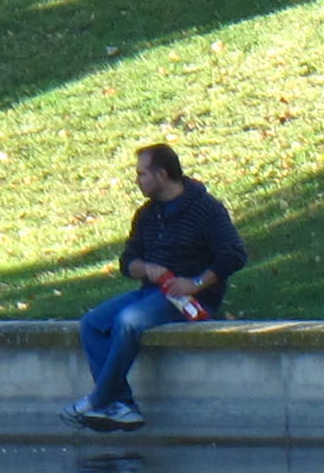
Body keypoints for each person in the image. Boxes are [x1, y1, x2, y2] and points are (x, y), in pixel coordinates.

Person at [73, 142, 244, 430]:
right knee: (92, 323)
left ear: (162, 175)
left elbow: (234, 254)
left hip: (189, 300)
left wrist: (196, 283)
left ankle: (99, 399)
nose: (137, 180)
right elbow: (128, 260)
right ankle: (122, 404)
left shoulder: (206, 209)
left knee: (129, 321)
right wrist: (146, 268)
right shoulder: (147, 214)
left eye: (142, 174)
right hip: (151, 292)